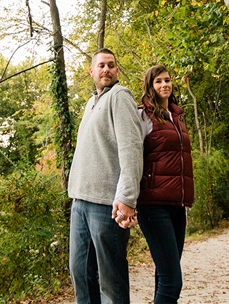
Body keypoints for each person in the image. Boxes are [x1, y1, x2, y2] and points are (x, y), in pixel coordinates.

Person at [68, 48, 144, 303]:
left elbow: (131, 149)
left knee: (110, 282)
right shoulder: (91, 102)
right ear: (91, 71)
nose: (106, 69)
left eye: (111, 65)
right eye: (101, 65)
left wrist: (127, 198)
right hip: (80, 201)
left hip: (106, 204)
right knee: (81, 273)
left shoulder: (120, 96)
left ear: (117, 70)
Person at [137, 65, 195, 304]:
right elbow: (131, 155)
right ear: (150, 86)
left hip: (176, 205)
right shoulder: (143, 116)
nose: (164, 85)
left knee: (165, 275)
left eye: (167, 80)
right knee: (173, 280)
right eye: (158, 81)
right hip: (153, 205)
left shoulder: (176, 117)